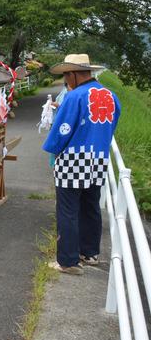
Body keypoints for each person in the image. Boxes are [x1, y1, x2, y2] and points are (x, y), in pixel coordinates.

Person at [43, 54, 120, 275]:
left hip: (74, 159)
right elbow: (112, 126)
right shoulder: (111, 95)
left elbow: (62, 130)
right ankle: (90, 253)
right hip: (99, 158)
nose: (66, 82)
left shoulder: (75, 96)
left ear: (73, 74)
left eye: (66, 77)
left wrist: (53, 149)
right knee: (91, 206)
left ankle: (68, 261)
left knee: (67, 209)